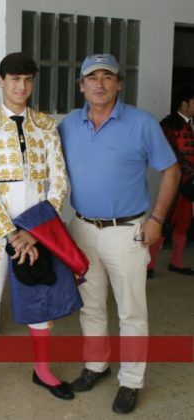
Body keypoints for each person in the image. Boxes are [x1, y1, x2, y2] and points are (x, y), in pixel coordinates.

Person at [59, 53, 180, 414]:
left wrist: (157, 218)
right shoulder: (68, 126)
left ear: (119, 84)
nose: (99, 83)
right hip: (81, 228)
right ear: (81, 85)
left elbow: (171, 171)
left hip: (127, 232)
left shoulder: (141, 123)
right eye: (91, 77)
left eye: (107, 77)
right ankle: (97, 365)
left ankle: (131, 381)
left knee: (131, 312)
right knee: (91, 306)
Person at [0, 52, 73, 412]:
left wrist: (37, 231)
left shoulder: (46, 125)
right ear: (1, 80)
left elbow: (60, 183)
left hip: (39, 229)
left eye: (27, 79)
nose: (21, 86)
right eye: (14, 79)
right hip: (0, 233)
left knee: (39, 297)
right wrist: (11, 233)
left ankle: (42, 370)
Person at [147, 86, 194, 277]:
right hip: (176, 180)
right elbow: (169, 153)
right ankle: (148, 266)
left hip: (190, 182)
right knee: (164, 222)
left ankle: (176, 261)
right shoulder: (169, 124)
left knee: (184, 222)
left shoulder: (191, 124)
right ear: (185, 104)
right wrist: (189, 173)